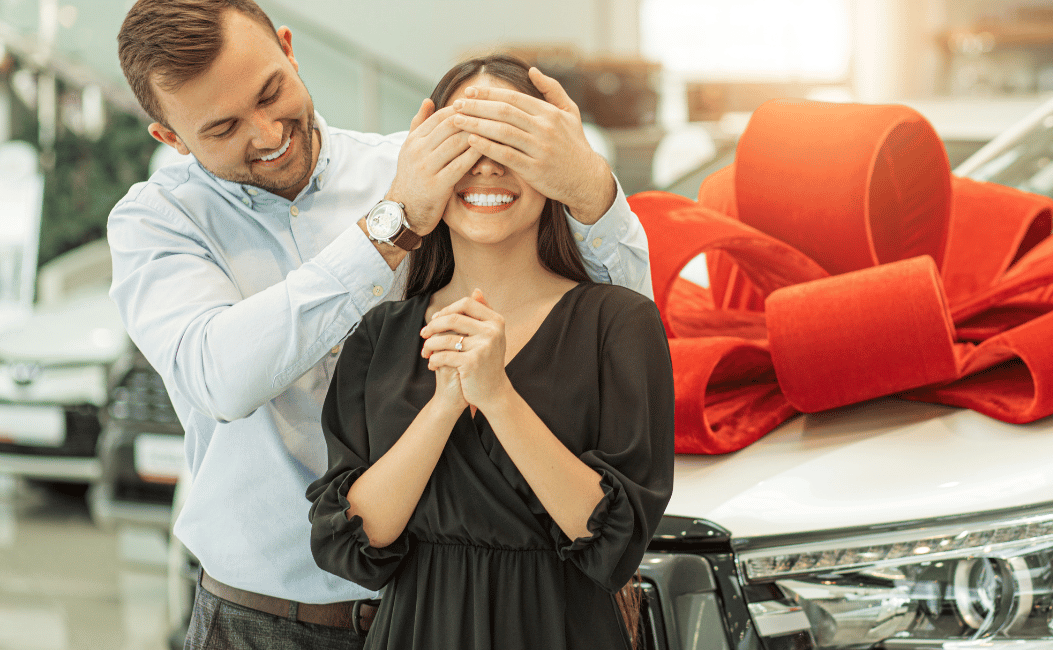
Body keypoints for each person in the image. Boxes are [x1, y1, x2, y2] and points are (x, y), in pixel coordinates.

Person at [107, 1, 650, 648]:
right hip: (262, 623)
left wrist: (590, 190)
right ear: (171, 137)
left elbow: (606, 322)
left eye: (271, 92)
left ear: (288, 48)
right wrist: (390, 229)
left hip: (444, 609)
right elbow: (221, 377)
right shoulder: (157, 225)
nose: (266, 133)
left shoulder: (413, 167)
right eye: (222, 128)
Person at [306, 54, 674, 650]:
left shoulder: (620, 322)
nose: (485, 166)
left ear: (554, 158)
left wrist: (498, 396)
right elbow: (354, 542)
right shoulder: (380, 334)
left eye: (511, 140)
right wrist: (444, 404)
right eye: (461, 143)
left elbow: (613, 541)